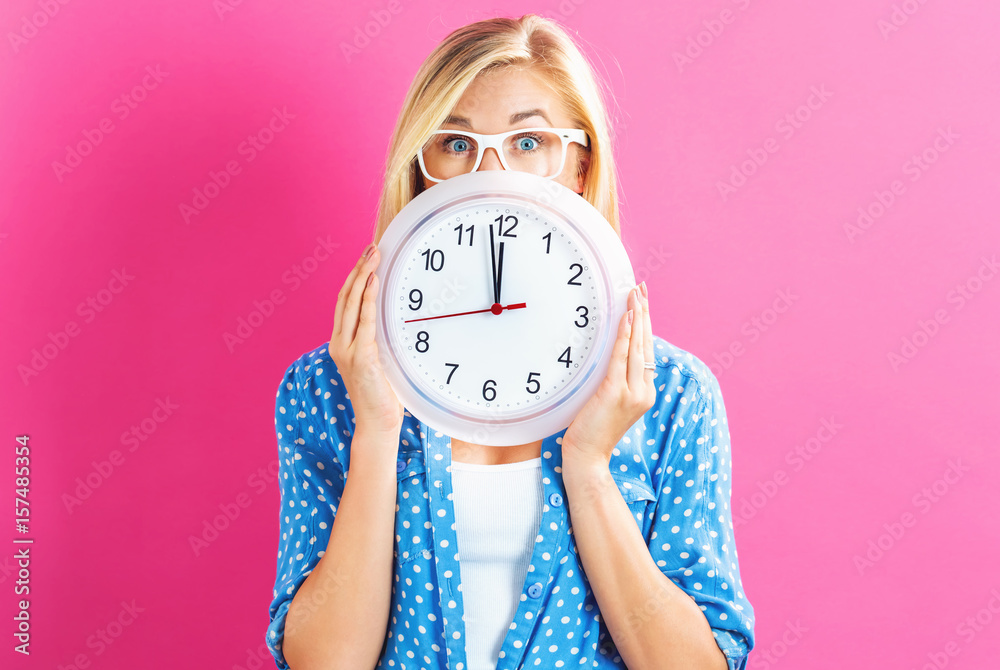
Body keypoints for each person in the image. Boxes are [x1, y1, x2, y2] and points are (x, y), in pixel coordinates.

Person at [266, 14, 755, 670]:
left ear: (580, 166)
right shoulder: (327, 388)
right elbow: (323, 662)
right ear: (420, 167)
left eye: (529, 142)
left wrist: (589, 469)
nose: (489, 173)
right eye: (456, 144)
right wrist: (377, 431)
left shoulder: (669, 395)